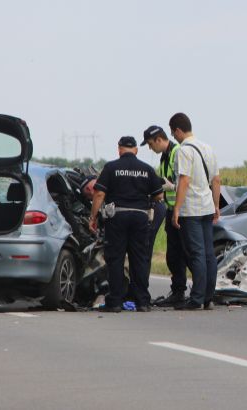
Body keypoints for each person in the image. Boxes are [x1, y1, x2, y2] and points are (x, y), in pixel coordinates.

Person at [89, 136, 163, 313]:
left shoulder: (111, 167)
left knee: (116, 259)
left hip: (117, 217)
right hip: (140, 217)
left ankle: (115, 302)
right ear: (136, 150)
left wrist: (93, 217)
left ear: (119, 149)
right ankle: (143, 302)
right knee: (140, 259)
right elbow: (159, 196)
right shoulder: (146, 169)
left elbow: (99, 194)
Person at [169, 113, 221, 310]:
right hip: (207, 206)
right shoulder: (208, 148)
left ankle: (197, 298)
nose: (174, 137)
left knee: (196, 254)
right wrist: (216, 206)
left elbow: (184, 180)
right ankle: (208, 297)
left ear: (178, 130)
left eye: (173, 133)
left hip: (191, 209)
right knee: (208, 254)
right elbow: (216, 180)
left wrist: (176, 208)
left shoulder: (184, 150)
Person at [140, 125, 188, 306]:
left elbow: (185, 181)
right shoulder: (165, 156)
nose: (151, 149)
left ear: (159, 140)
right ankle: (178, 292)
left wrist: (172, 186)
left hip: (181, 210)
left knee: (184, 254)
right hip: (170, 209)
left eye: (151, 144)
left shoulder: (177, 152)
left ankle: (186, 292)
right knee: (173, 256)